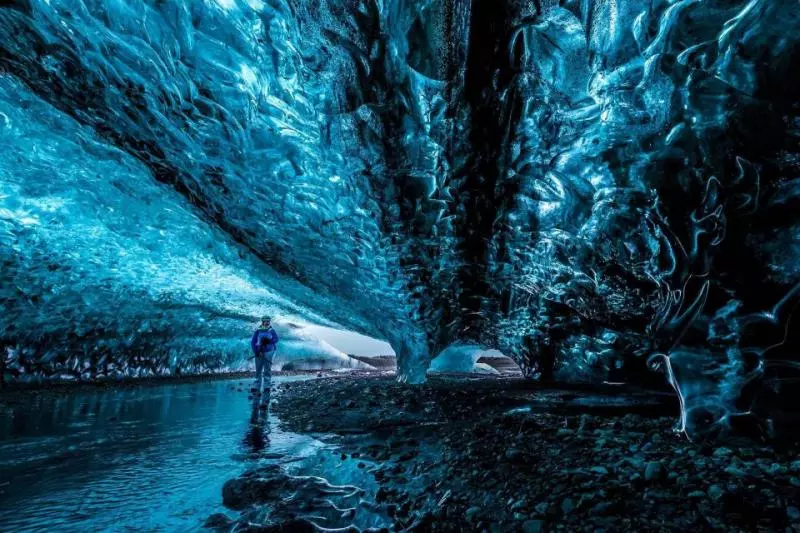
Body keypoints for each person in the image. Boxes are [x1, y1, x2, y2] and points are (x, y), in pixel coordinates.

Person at [250, 316, 279, 393]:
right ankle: (256, 385)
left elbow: (276, 339)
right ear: (262, 322)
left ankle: (267, 386)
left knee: (267, 369)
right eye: (265, 321)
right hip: (259, 352)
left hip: (269, 351)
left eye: (268, 321)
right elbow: (253, 342)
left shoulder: (272, 330)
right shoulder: (258, 331)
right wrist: (255, 351)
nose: (267, 323)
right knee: (258, 369)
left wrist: (269, 341)